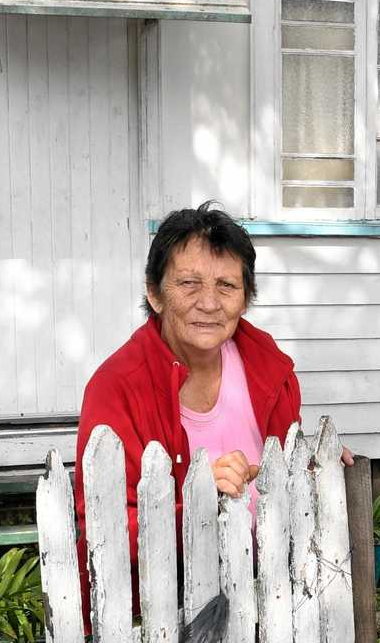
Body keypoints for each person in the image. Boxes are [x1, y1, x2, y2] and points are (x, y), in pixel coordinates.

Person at [72, 202, 302, 615]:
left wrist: (315, 461)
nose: (209, 303)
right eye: (189, 283)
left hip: (266, 595)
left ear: (245, 298)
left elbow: (290, 460)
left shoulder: (268, 365)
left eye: (227, 286)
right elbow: (105, 528)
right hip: (158, 610)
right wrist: (196, 500)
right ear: (155, 293)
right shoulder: (116, 388)